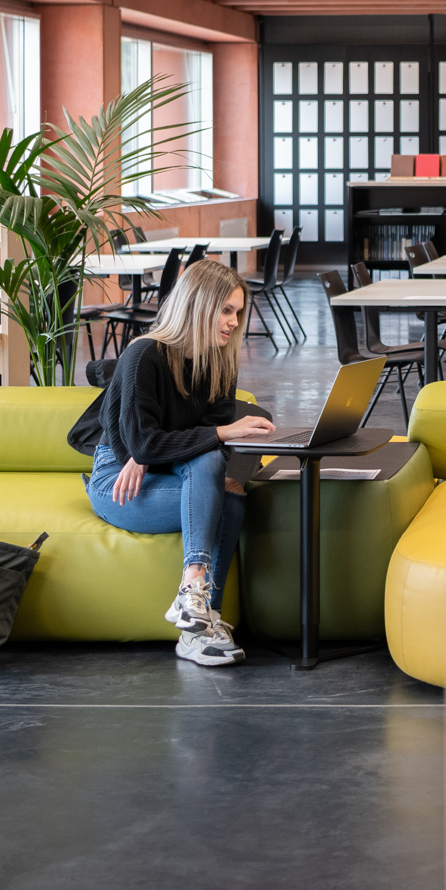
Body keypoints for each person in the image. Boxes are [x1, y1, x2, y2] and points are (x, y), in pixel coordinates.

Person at [70, 259, 277, 666]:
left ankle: (196, 610)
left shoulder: (220, 362)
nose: (234, 322)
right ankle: (199, 613)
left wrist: (154, 454)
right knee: (213, 469)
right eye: (226, 310)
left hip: (169, 471)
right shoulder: (143, 355)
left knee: (220, 479)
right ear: (198, 305)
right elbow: (145, 443)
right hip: (117, 479)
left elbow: (179, 446)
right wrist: (147, 453)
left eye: (238, 312)